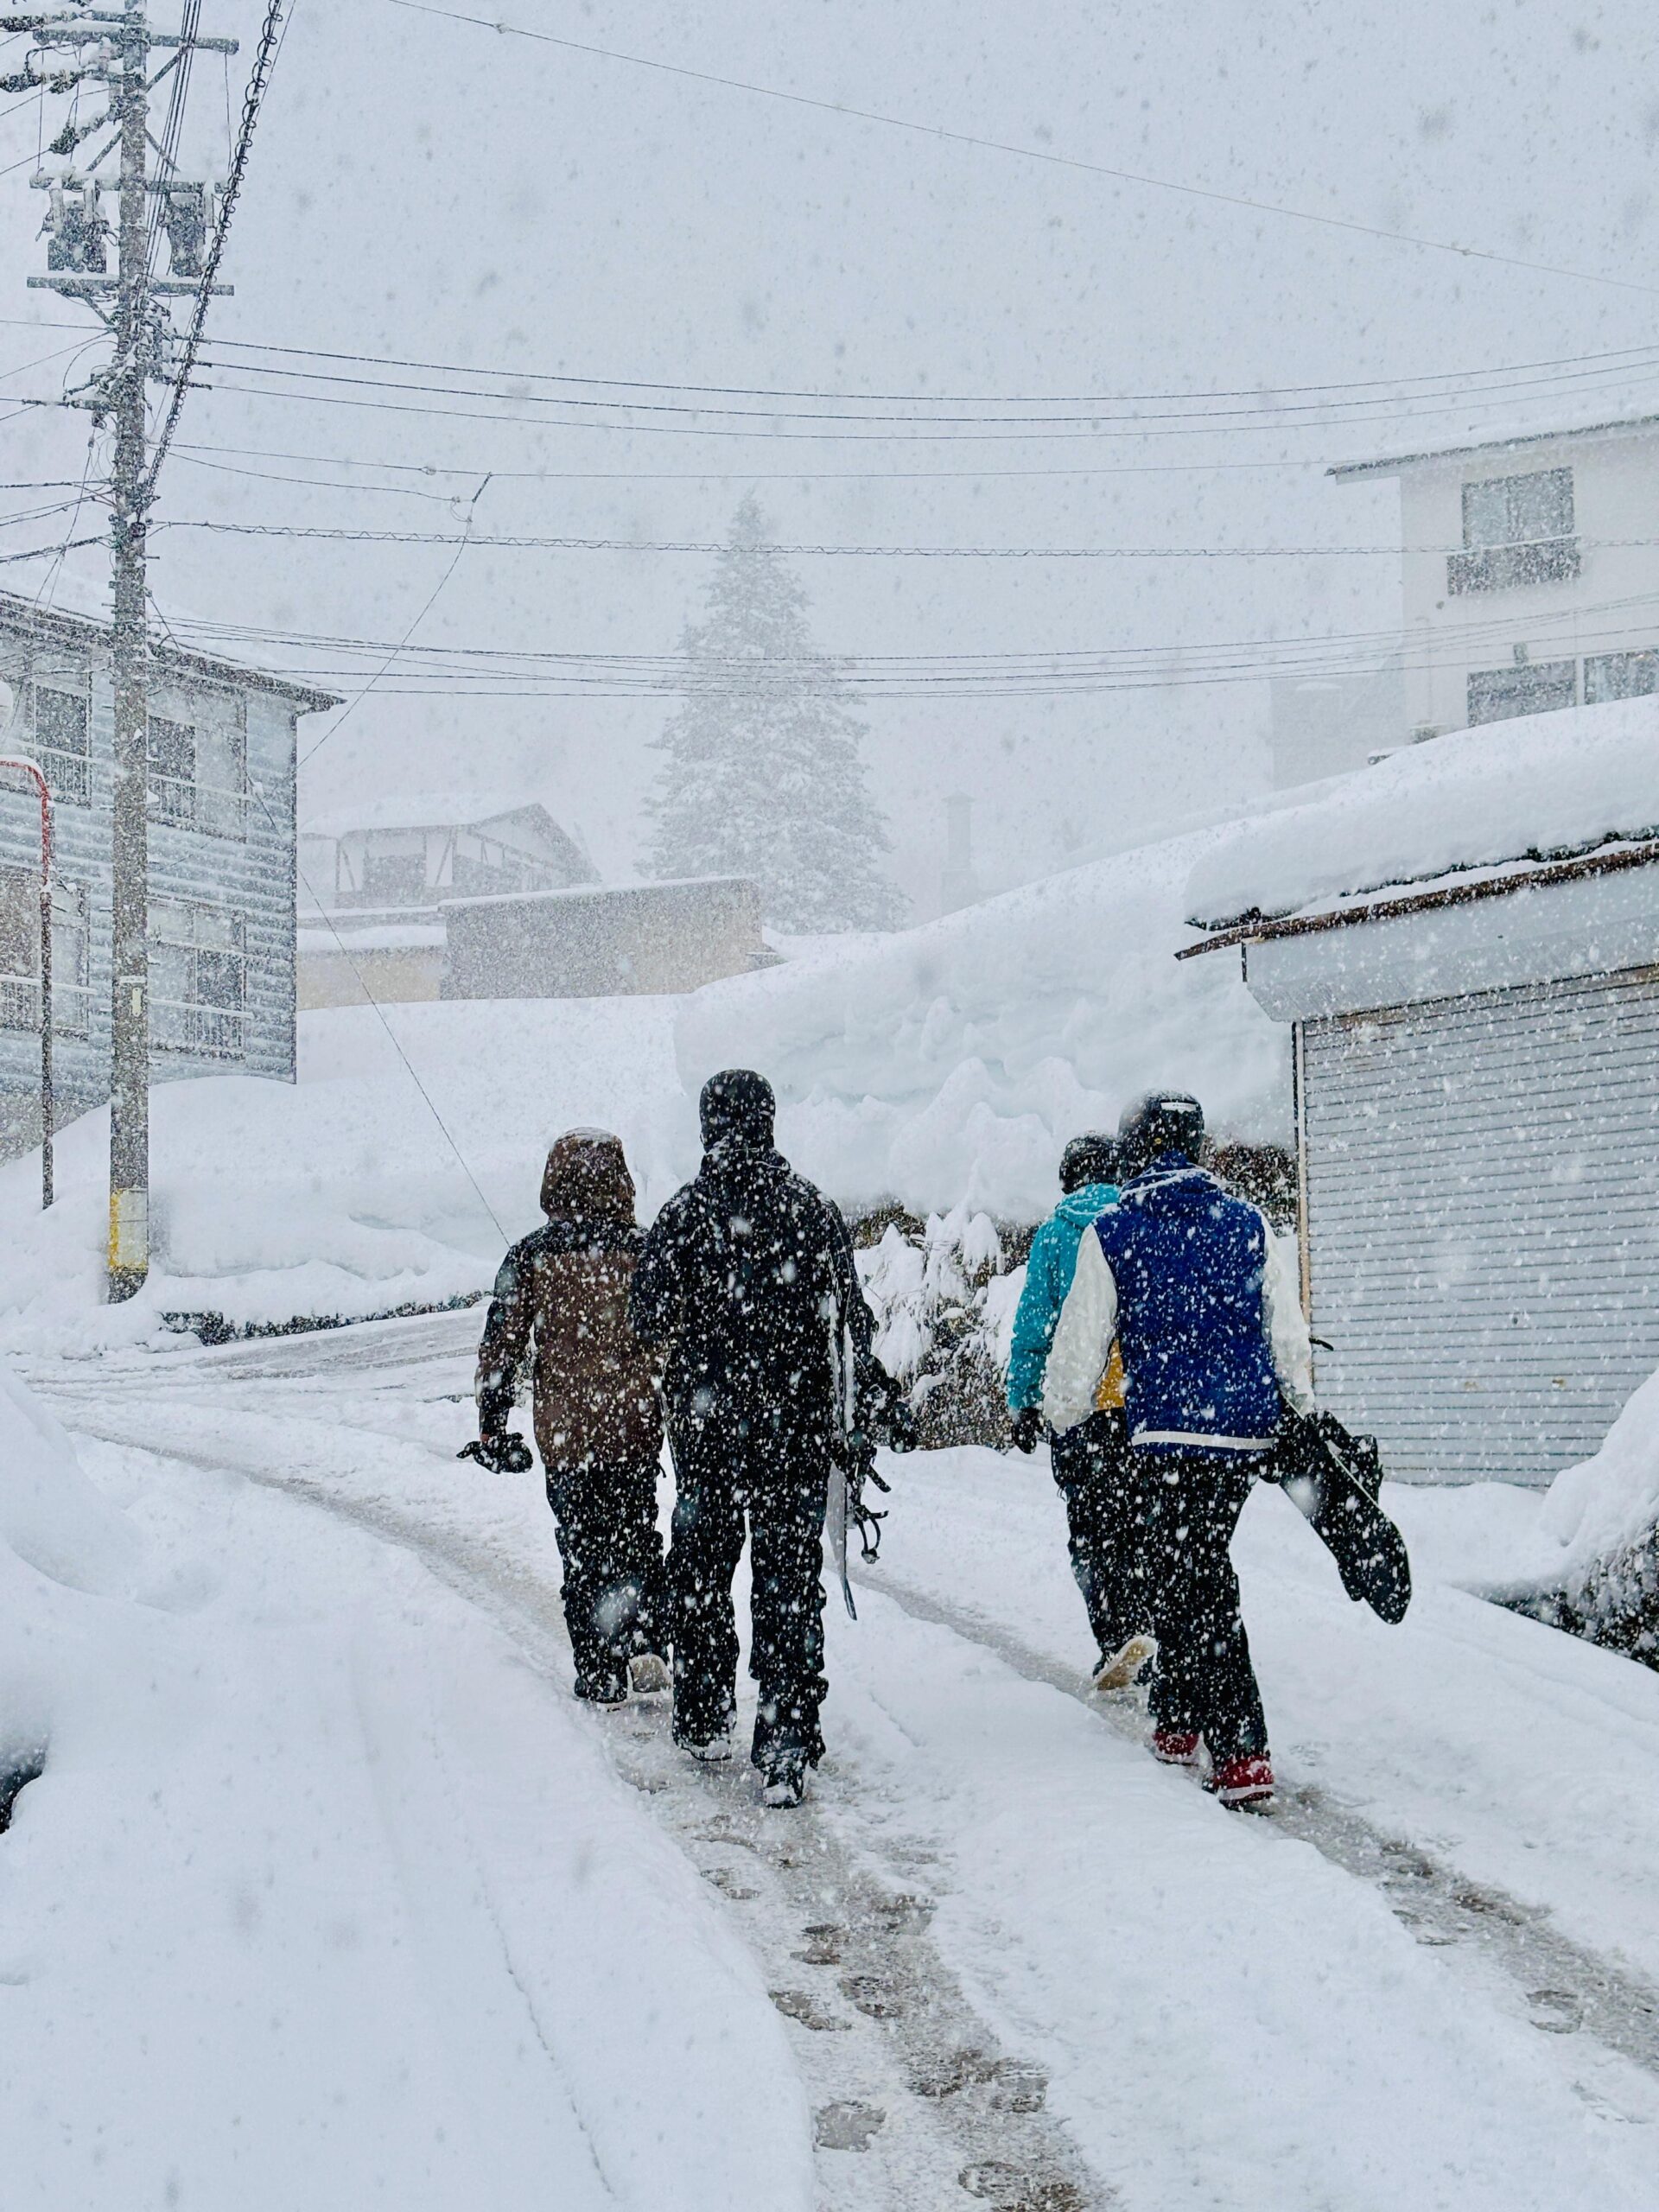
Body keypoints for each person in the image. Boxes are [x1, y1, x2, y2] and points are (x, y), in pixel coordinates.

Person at [629, 1068, 897, 1808]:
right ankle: (783, 1743)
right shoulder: (811, 1210)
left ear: (711, 1127)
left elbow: (645, 1319)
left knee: (703, 1572)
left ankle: (705, 1710)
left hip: (708, 1433)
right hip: (796, 1434)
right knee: (786, 1583)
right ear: (770, 1124)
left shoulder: (684, 1213)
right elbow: (851, 1326)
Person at [1042, 1090, 1314, 1808]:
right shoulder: (1249, 1222)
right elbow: (1284, 1329)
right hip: (1244, 1433)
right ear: (1196, 1148)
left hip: (1164, 1432)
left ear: (1136, 1150)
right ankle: (1176, 1719)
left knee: (1195, 1578)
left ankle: (1241, 1749)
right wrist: (1304, 1407)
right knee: (1186, 1566)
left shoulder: (1115, 1228)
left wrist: (1062, 1412)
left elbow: (1081, 1340)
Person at [469, 1128, 670, 1707]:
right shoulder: (646, 1247)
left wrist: (493, 1419)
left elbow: (500, 1345)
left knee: (580, 1546)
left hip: (567, 1434)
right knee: (636, 1533)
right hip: (633, 1427)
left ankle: (598, 1669)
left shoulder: (530, 1254)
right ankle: (643, 1639)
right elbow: (673, 1335)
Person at [1007, 1135, 1155, 1693]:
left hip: (1080, 1408)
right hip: (1142, 1405)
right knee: (1146, 1523)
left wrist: (1023, 1400)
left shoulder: (1054, 1235)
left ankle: (1116, 1635)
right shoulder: (1138, 1221)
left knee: (1093, 1531)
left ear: (1068, 1177)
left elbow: (1034, 1325)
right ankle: (1155, 1631)